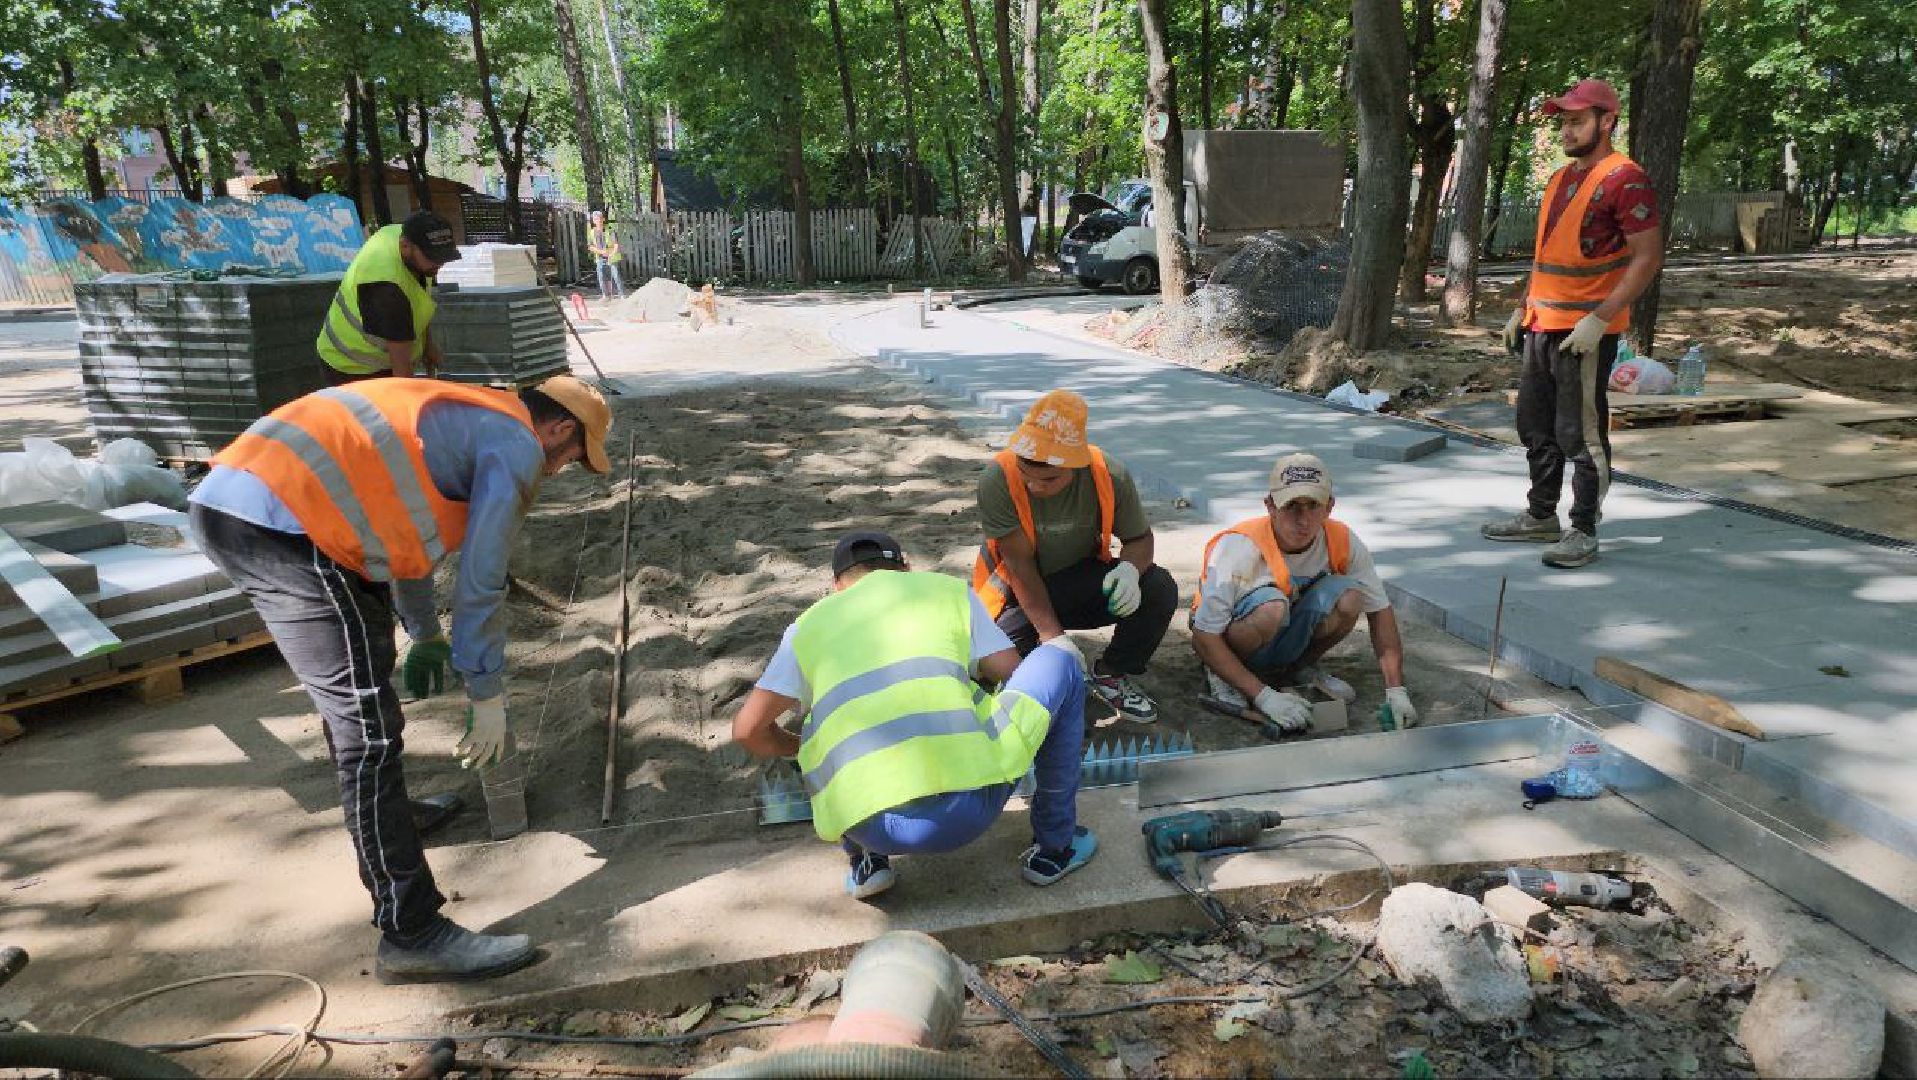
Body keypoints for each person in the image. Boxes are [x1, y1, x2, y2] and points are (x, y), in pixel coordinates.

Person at [187, 374, 612, 983]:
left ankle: (396, 819)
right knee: (366, 728)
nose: (565, 470)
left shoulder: (468, 420)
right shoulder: (516, 444)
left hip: (259, 508)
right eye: (575, 457)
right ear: (560, 428)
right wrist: (485, 689)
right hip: (284, 527)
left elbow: (406, 537)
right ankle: (410, 930)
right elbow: (482, 578)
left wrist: (424, 632)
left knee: (363, 676)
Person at [732, 530, 1096, 900]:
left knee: (826, 719)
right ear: (906, 567)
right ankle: (1054, 849)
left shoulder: (806, 627)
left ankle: (868, 863)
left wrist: (802, 747)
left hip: (862, 823)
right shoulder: (946, 592)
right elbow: (1011, 672)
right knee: (1059, 660)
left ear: (837, 586)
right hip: (965, 816)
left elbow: (747, 730)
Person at [1483, 78, 1663, 569]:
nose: (1566, 129)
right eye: (1563, 121)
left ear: (1607, 122)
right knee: (1534, 424)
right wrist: (1523, 306)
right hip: (1543, 322)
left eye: (1576, 120)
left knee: (1580, 432)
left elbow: (1646, 259)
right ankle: (1541, 516)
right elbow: (1547, 255)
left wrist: (1601, 320)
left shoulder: (1625, 179)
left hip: (1584, 332)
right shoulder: (1562, 180)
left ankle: (1583, 528)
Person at [972, 389, 1178, 722]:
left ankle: (1111, 672)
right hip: (1016, 591)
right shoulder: (997, 480)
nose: (1036, 486)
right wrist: (1054, 639)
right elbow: (1020, 566)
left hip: (1079, 579)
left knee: (1158, 587)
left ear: (1076, 464)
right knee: (992, 670)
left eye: (1050, 478)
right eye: (1028, 473)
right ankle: (1043, 653)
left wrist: (1129, 570)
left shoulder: (1107, 474)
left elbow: (1139, 538)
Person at [1189, 454, 1416, 735]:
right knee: (1272, 608)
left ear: (1329, 506)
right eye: (1291, 506)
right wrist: (1264, 697)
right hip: (1228, 636)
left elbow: (1379, 610)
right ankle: (1223, 674)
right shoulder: (1238, 547)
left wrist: (1396, 690)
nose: (1303, 520)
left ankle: (1298, 668)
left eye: (1313, 506)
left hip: (1286, 628)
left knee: (1350, 598)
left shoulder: (1342, 540)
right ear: (1270, 506)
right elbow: (1203, 636)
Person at [318, 210, 461, 383]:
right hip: (352, 367)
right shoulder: (385, 289)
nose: (439, 264)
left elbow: (417, 302)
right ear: (405, 245)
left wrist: (427, 345)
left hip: (383, 357)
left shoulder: (401, 237)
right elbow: (402, 375)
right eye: (432, 257)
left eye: (443, 257)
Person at [587, 210, 625, 300]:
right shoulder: (592, 232)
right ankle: (605, 295)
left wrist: (611, 254)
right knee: (601, 277)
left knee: (616, 276)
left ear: (603, 219)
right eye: (595, 219)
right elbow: (590, 246)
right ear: (593, 221)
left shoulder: (610, 230)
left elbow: (616, 244)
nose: (598, 221)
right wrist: (600, 252)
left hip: (611, 257)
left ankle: (622, 295)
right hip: (600, 258)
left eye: (599, 218)